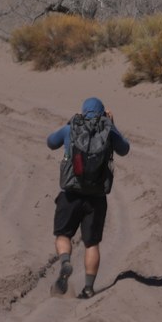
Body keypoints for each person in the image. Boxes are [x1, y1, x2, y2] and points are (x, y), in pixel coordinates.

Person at [48, 96, 129, 299]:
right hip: (96, 197)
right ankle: (88, 288)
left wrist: (71, 124)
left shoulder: (71, 129)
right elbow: (124, 149)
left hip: (71, 194)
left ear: (83, 112)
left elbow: (50, 142)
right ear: (103, 113)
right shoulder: (108, 131)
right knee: (91, 244)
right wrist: (112, 124)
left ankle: (65, 261)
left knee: (63, 235)